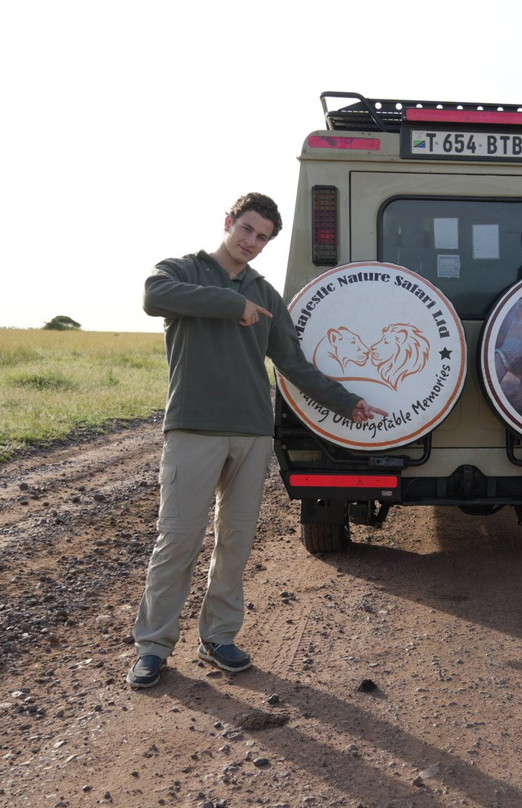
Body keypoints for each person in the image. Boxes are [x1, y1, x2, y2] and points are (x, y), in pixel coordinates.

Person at [127, 192, 387, 689]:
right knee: (178, 539)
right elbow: (152, 297)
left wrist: (347, 401)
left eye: (262, 237)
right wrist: (232, 305)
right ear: (228, 221)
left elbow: (293, 363)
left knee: (236, 541)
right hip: (193, 428)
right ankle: (153, 647)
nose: (251, 241)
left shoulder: (266, 294)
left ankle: (219, 637)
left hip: (251, 432)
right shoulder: (182, 270)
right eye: (246, 229)